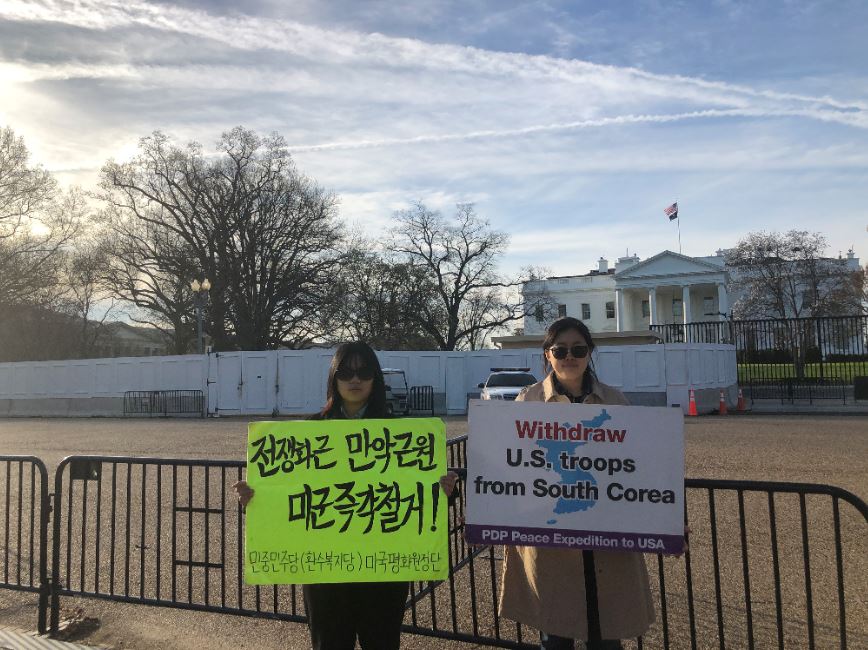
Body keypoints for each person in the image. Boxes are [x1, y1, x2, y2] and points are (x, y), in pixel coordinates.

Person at [233, 341, 458, 650]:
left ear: (375, 378)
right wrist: (254, 498)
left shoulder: (401, 433)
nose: (355, 379)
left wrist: (446, 490)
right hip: (325, 572)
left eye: (364, 372)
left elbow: (420, 493)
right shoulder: (309, 432)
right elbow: (287, 494)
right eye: (345, 372)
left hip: (382, 571)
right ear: (333, 378)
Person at [498, 317, 655, 650]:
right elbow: (507, 465)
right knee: (555, 637)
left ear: (589, 353)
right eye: (560, 350)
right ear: (548, 354)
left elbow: (640, 467)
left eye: (578, 350)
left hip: (606, 540)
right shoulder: (528, 402)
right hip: (550, 538)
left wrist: (666, 521)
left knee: (606, 637)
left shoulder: (615, 401)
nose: (569, 357)